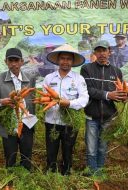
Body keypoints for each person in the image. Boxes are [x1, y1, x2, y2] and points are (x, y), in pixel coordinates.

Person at [80, 40, 127, 174]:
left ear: (109, 52)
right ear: (94, 53)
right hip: (91, 115)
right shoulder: (87, 69)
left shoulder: (116, 71)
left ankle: (99, 171)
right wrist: (108, 95)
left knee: (102, 146)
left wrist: (123, 97)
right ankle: (92, 172)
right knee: (91, 147)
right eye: (98, 51)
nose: (101, 54)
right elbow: (88, 90)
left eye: (104, 50)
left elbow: (120, 92)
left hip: (109, 116)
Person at [43, 44, 89, 175]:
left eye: (68, 59)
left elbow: (84, 99)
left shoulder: (78, 79)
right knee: (51, 149)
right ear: (58, 60)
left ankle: (66, 172)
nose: (65, 61)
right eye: (62, 58)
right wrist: (45, 102)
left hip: (70, 122)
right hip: (52, 121)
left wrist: (69, 103)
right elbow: (45, 97)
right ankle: (51, 172)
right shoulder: (49, 78)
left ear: (73, 62)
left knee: (68, 149)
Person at [0, 48, 37, 170]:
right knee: (10, 156)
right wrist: (2, 102)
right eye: (11, 61)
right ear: (6, 62)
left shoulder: (30, 78)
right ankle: (11, 179)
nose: (14, 64)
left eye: (17, 60)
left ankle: (25, 178)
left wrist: (33, 121)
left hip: (26, 123)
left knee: (26, 156)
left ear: (22, 61)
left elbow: (33, 100)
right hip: (8, 124)